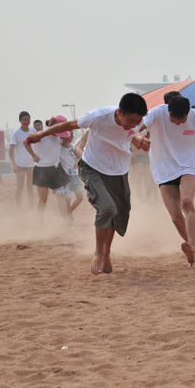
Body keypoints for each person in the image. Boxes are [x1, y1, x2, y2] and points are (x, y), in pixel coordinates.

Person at [26, 93, 149, 274]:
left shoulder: (134, 121)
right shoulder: (98, 117)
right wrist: (42, 134)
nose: (133, 124)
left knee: (119, 214)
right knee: (107, 208)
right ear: (119, 112)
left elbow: (133, 131)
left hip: (119, 170)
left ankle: (107, 252)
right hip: (93, 168)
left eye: (137, 121)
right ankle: (98, 253)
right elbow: (67, 125)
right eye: (130, 120)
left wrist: (138, 138)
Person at [138, 95, 195, 265]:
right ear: (168, 111)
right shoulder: (158, 113)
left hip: (188, 166)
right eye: (173, 120)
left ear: (188, 113)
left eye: (182, 120)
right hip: (163, 169)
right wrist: (139, 137)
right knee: (176, 217)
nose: (178, 123)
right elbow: (138, 126)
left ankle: (191, 247)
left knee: (186, 201)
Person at [25, 115, 71, 223]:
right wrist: (33, 155)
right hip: (42, 171)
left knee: (61, 196)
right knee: (43, 199)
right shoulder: (41, 135)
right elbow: (25, 142)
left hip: (56, 170)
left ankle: (66, 221)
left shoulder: (59, 137)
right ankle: (41, 222)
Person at [9, 112, 36, 209]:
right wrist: (14, 164)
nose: (26, 122)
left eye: (27, 120)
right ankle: (19, 208)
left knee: (30, 187)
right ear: (20, 120)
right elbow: (11, 149)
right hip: (20, 163)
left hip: (31, 164)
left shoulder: (33, 131)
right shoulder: (16, 133)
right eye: (24, 120)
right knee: (20, 187)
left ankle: (30, 207)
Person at [59, 134, 84, 221]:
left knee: (80, 197)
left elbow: (80, 157)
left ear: (72, 137)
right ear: (62, 137)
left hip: (75, 175)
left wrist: (77, 162)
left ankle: (69, 212)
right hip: (64, 177)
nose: (67, 139)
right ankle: (68, 217)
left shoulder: (72, 147)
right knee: (67, 199)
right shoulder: (58, 148)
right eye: (65, 137)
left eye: (69, 137)